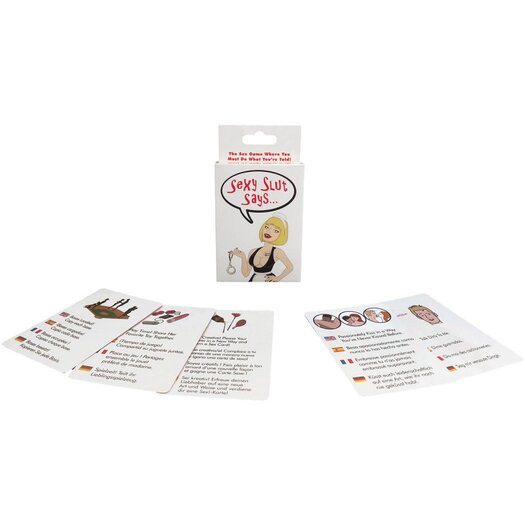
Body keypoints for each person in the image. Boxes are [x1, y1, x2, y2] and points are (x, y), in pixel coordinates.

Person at [231, 215, 293, 282]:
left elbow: (290, 267)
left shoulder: (277, 252)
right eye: (267, 227)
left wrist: (278, 278)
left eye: (276, 230)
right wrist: (243, 256)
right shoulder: (253, 251)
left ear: (280, 235)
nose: (268, 231)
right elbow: (245, 274)